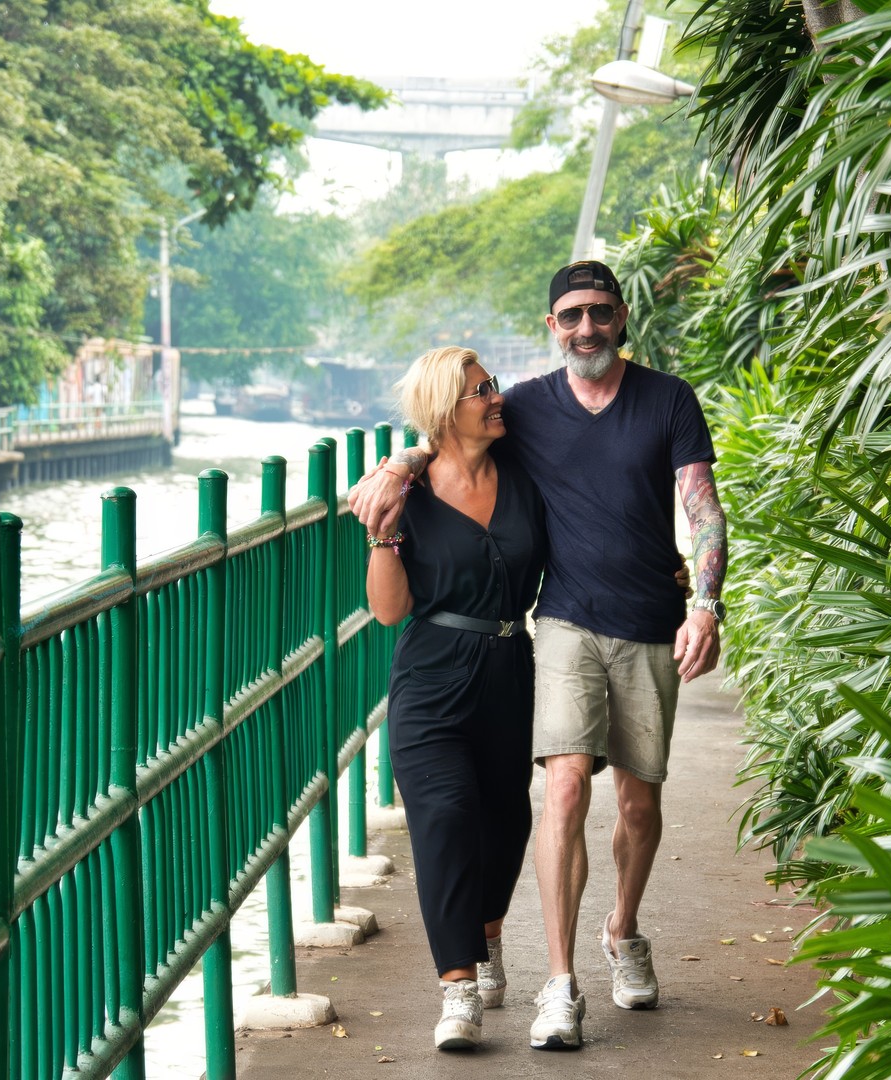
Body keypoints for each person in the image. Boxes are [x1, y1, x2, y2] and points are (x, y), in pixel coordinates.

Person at [351, 260, 727, 1051]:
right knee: (543, 794)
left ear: (622, 316)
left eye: (599, 312)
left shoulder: (657, 402)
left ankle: (616, 931)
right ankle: (545, 986)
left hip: (620, 630)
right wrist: (398, 468)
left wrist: (703, 600)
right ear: (552, 327)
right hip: (547, 630)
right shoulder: (519, 411)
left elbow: (699, 503)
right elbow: (443, 441)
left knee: (622, 804)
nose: (585, 328)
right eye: (570, 316)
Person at [365, 346, 546, 1051]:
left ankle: (489, 934)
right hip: (432, 674)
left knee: (505, 819)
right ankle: (457, 988)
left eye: (493, 386)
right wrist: (384, 536)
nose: (495, 398)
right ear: (445, 411)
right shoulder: (405, 495)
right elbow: (387, 612)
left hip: (509, 665)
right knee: (443, 816)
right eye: (480, 391)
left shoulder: (524, 474)